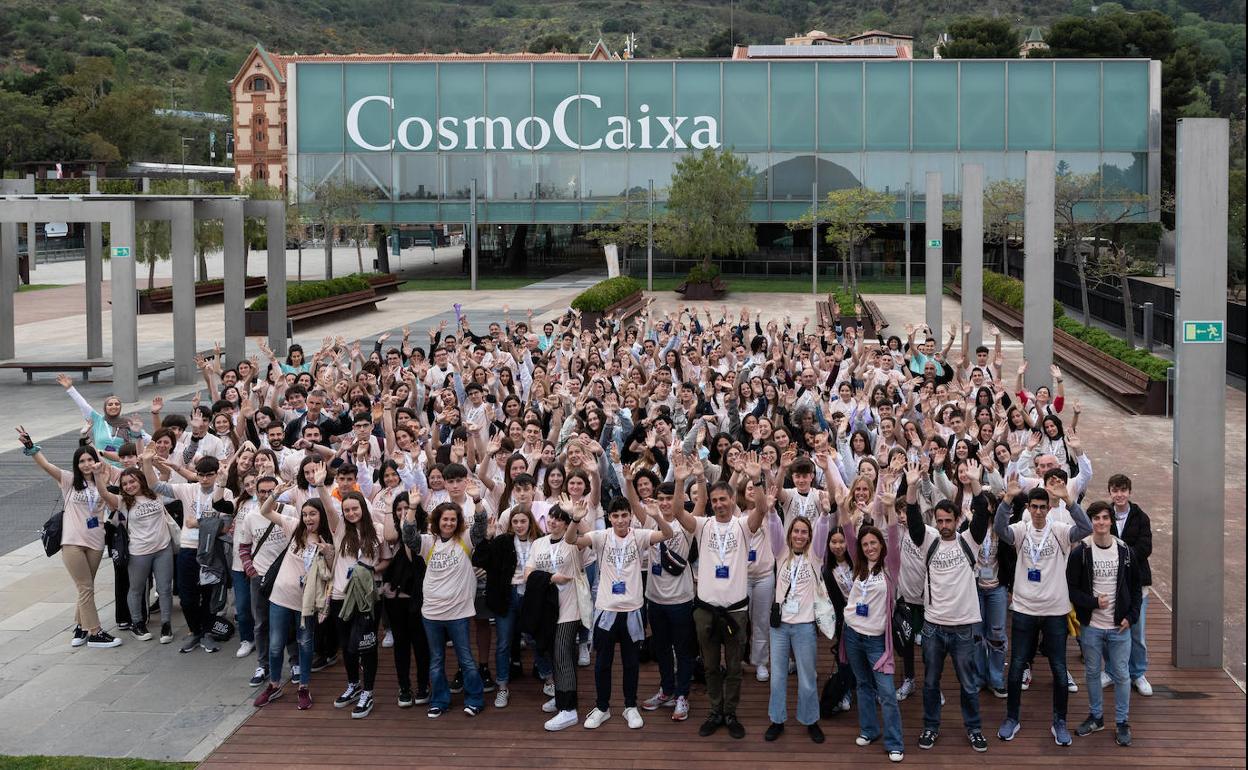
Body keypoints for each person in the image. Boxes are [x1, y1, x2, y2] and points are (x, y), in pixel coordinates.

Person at [669, 453, 766, 740]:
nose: (720, 504)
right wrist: (679, 482)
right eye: (715, 501)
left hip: (735, 610)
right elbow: (677, 512)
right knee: (711, 666)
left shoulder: (743, 526)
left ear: (733, 500)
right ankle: (715, 711)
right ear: (711, 504)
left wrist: (757, 479)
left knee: (734, 668)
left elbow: (761, 509)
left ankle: (730, 712)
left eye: (724, 499)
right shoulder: (703, 525)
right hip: (706, 610)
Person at [901, 460, 991, 753]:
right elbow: (914, 520)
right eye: (939, 521)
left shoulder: (970, 541)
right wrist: (912, 486)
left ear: (956, 521)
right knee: (930, 682)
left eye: (948, 521)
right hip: (933, 626)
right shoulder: (928, 540)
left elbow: (981, 513)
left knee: (968, 683)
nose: (943, 525)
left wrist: (975, 482)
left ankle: (974, 729)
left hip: (964, 625)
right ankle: (930, 727)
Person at [994, 480, 1092, 745]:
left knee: (1059, 668)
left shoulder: (1060, 529)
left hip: (1055, 610)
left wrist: (1069, 501)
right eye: (1034, 507)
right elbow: (999, 529)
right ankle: (1011, 719)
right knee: (1016, 666)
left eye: (1042, 507)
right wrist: (1006, 501)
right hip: (1025, 609)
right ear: (1028, 508)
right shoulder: (1021, 529)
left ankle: (1059, 722)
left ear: (1049, 509)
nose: (1038, 512)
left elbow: (1086, 528)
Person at [567, 495, 674, 729]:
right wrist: (575, 520)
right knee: (602, 663)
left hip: (633, 610)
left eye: (624, 515)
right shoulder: (601, 536)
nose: (620, 520)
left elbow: (668, 534)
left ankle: (630, 706)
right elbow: (571, 540)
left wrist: (656, 516)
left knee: (631, 662)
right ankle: (602, 707)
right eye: (615, 516)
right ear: (609, 518)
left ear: (631, 516)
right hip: (606, 610)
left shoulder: (640, 535)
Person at [17, 428, 123, 648]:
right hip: (72, 542)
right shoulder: (68, 480)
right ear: (77, 464)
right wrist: (30, 447)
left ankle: (81, 625)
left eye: (89, 459)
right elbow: (46, 466)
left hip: (96, 541)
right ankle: (95, 632)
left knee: (86, 586)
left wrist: (98, 474)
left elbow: (113, 501)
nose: (86, 464)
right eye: (82, 461)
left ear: (96, 461)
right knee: (85, 587)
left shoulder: (102, 482)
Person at [252, 483, 334, 710]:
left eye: (313, 514)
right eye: (305, 514)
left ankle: (304, 687)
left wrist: (327, 553)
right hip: (279, 597)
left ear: (322, 516)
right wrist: (275, 494)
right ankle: (274, 685)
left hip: (306, 604)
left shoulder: (328, 540)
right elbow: (265, 512)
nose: (308, 518)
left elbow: (330, 573)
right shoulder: (294, 527)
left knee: (305, 644)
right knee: (276, 645)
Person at [1067, 501, 1142, 747]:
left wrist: (1130, 617)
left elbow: (1135, 590)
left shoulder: (1125, 552)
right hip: (1092, 627)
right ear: (1090, 522)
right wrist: (1092, 603)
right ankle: (1096, 716)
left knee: (1121, 674)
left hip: (1119, 627)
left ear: (1111, 521)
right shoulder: (1081, 552)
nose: (1100, 522)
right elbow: (1072, 590)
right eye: (1096, 518)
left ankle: (1122, 722)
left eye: (1104, 518)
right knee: (1091, 673)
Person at [405, 500, 486, 718]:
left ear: (458, 522)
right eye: (445, 519)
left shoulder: (465, 540)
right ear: (437, 521)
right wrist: (412, 508)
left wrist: (477, 500)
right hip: (431, 612)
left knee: (466, 658)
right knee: (437, 660)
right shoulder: (428, 542)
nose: (448, 523)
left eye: (453, 519)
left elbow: (481, 525)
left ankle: (475, 699)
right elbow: (408, 536)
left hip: (458, 613)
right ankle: (440, 700)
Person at [96, 449, 177, 645]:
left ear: (141, 480)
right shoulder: (123, 502)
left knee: (165, 588)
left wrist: (149, 461)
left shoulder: (155, 493)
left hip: (162, 549)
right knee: (137, 589)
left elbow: (165, 475)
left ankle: (166, 624)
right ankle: (137, 623)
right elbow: (104, 493)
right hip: (138, 553)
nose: (129, 486)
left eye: (133, 481)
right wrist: (99, 475)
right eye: (125, 484)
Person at [763, 514, 831, 744]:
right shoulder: (781, 554)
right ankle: (777, 719)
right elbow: (773, 529)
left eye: (804, 532)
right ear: (789, 534)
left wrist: (824, 515)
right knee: (778, 677)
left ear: (809, 536)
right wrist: (771, 512)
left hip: (804, 626)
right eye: (795, 531)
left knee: (807, 678)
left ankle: (810, 720)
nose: (799, 535)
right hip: (780, 627)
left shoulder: (815, 556)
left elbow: (822, 532)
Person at [525, 504, 584, 731]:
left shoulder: (572, 542)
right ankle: (561, 696)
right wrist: (550, 578)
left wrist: (575, 519)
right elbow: (528, 574)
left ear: (567, 524)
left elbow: (571, 537)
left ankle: (568, 710)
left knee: (562, 656)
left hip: (569, 608)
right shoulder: (538, 543)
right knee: (555, 654)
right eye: (552, 516)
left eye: (560, 519)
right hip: (546, 609)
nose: (554, 521)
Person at [1106, 474, 1153, 697]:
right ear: (1110, 492)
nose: (1119, 495)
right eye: (1115, 490)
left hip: (1137, 583)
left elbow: (1145, 548)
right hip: (1110, 583)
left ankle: (1138, 673)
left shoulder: (1141, 517)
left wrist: (1121, 555)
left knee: (1137, 633)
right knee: (1109, 629)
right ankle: (1111, 670)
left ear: (1129, 492)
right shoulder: (1104, 515)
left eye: (1123, 490)